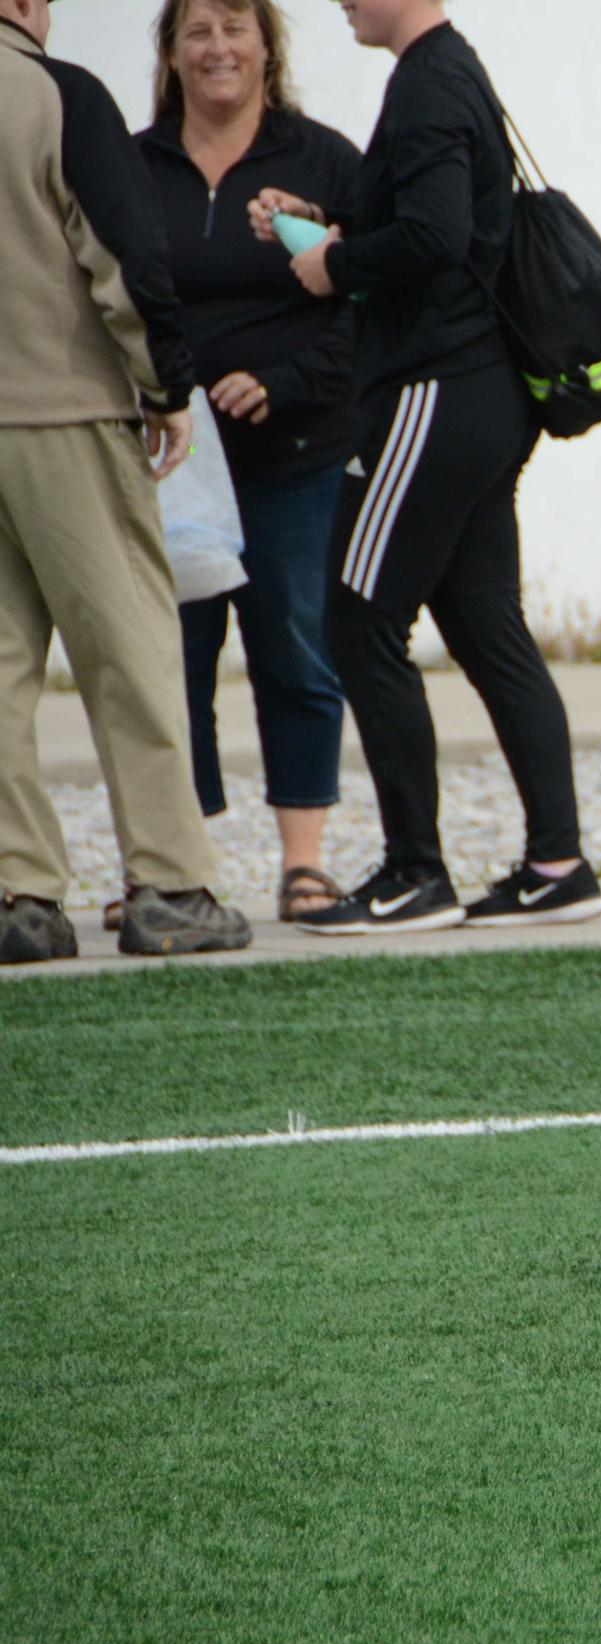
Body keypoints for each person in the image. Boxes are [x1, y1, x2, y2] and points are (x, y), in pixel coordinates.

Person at [252, 0, 601, 933]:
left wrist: (336, 266)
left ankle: (415, 872)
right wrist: (324, 228)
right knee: (487, 628)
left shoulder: (427, 84)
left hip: (435, 392)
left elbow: (436, 238)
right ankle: (558, 865)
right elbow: (437, 224)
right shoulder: (450, 70)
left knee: (356, 618)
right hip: (482, 395)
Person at [0, 0, 252, 964]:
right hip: (63, 409)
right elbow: (122, 255)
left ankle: (19, 895)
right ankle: (169, 883)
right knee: (130, 653)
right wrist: (166, 386)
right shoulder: (56, 93)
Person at [137, 0, 361, 923]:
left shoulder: (324, 162)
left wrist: (287, 381)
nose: (217, 47)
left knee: (296, 650)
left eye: (236, 26)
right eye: (197, 31)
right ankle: (176, 871)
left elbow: (370, 303)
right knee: (170, 663)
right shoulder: (131, 165)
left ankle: (303, 864)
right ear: (171, 53)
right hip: (171, 466)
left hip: (297, 455)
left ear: (268, 46)